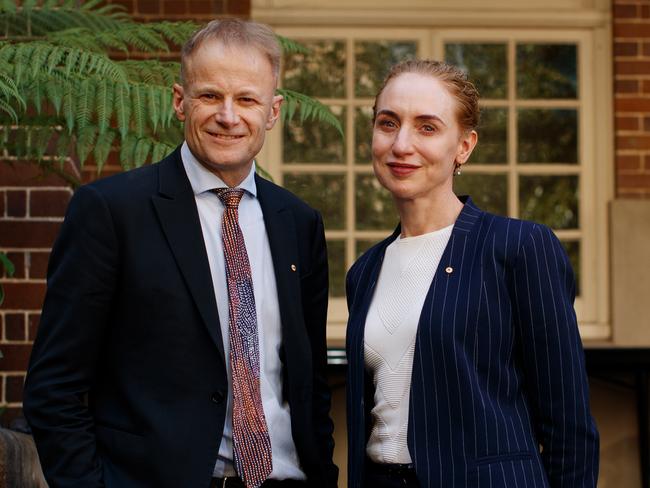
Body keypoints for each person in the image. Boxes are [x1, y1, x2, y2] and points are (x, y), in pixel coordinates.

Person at [23, 19, 338, 488]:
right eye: (210, 95)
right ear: (179, 100)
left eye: (247, 99)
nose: (228, 116)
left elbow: (308, 382)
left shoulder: (299, 222)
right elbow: (55, 388)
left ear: (273, 112)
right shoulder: (112, 212)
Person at [345, 60, 599, 488]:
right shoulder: (365, 270)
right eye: (388, 123)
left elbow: (569, 424)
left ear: (464, 146)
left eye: (427, 127)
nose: (401, 144)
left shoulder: (518, 247)